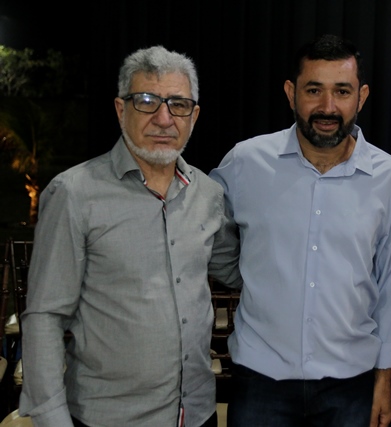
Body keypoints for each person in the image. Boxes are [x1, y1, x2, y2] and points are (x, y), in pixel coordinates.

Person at [18, 45, 242, 427]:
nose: (164, 118)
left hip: (196, 413)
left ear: (195, 115)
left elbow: (241, 272)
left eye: (178, 104)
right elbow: (45, 317)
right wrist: (52, 419)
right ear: (121, 110)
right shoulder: (73, 193)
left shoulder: (209, 195)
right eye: (147, 101)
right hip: (108, 417)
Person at [209, 34, 391, 427]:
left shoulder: (389, 178)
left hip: (352, 386)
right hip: (260, 382)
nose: (327, 107)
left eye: (342, 91)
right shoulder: (245, 163)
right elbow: (209, 236)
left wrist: (384, 378)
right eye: (314, 90)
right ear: (290, 92)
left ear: (362, 96)